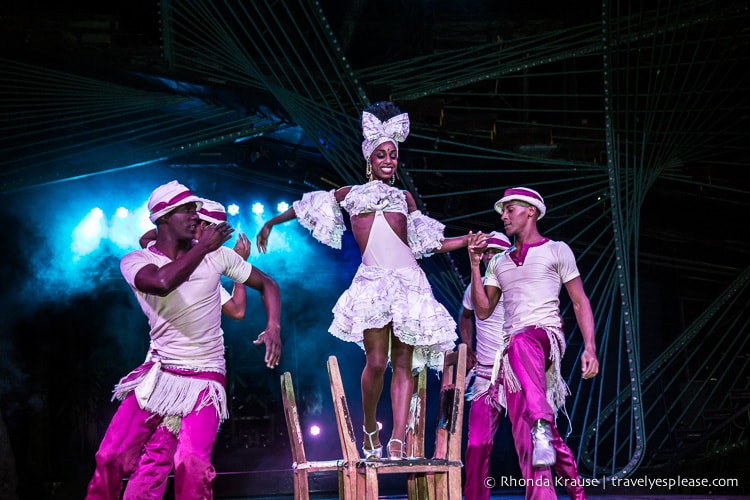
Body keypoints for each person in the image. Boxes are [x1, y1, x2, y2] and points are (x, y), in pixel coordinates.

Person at [256, 101, 483, 460]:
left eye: (393, 154)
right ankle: (368, 427)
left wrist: (467, 240)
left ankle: (396, 437)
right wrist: (271, 222)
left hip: (409, 284)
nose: (389, 160)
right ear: (369, 159)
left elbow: (429, 242)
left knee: (404, 363)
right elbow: (305, 206)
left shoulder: (405, 199)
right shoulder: (351, 195)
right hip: (373, 284)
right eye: (382, 155)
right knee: (376, 361)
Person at [86, 180, 282, 499]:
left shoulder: (216, 259)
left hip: (204, 378)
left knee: (191, 464)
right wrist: (202, 245)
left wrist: (273, 326)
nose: (195, 215)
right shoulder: (135, 261)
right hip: (160, 375)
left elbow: (264, 289)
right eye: (187, 210)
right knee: (112, 457)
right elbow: (163, 282)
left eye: (196, 209)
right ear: (164, 216)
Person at [467, 187, 599, 500]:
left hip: (545, 337)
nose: (504, 216)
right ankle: (567, 491)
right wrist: (474, 264)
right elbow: (483, 311)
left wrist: (590, 348)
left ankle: (541, 421)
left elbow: (579, 302)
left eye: (510, 209)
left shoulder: (557, 250)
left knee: (524, 340)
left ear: (531, 211)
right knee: (526, 442)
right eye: (503, 211)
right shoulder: (498, 261)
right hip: (514, 358)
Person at [124, 197, 252, 499]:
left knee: (182, 458)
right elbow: (150, 240)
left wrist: (240, 268)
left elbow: (237, 310)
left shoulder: (206, 272)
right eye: (211, 228)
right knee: (157, 455)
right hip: (168, 374)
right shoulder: (173, 258)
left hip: (198, 375)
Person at [459, 231, 512, 500]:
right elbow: (466, 315)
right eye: (486, 252)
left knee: (535, 444)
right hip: (485, 378)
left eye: (495, 253)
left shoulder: (520, 284)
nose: (490, 256)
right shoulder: (475, 288)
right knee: (477, 445)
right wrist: (467, 346)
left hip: (518, 375)